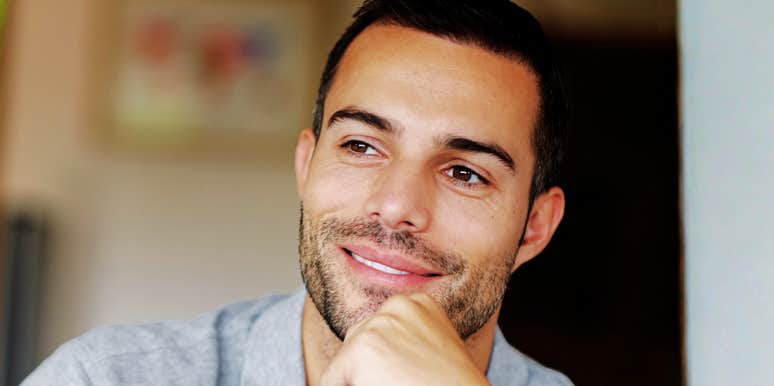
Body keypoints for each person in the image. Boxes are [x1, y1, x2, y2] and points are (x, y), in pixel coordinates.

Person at [23, 0, 571, 385]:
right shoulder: (107, 378)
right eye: (361, 146)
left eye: (465, 174)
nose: (398, 206)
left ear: (535, 227)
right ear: (307, 164)